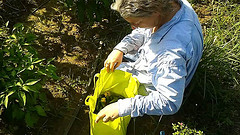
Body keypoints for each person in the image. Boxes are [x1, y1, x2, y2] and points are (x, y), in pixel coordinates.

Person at [95, 0, 203, 123]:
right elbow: (144, 31)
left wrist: (123, 107)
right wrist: (121, 49)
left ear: (155, 12)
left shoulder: (169, 54)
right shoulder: (172, 7)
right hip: (161, 64)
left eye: (137, 22)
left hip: (158, 84)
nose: (133, 27)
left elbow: (170, 101)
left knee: (110, 76)